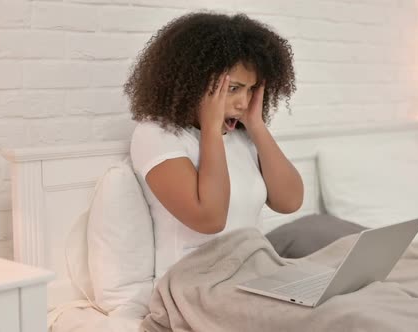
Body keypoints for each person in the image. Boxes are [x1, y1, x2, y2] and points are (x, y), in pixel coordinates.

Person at [124, 11, 304, 278]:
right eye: (233, 89)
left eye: (251, 89)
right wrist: (210, 128)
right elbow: (210, 218)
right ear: (193, 84)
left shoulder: (242, 135)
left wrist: (256, 126)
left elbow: (290, 201)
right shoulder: (156, 135)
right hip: (195, 285)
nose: (243, 102)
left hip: (254, 275)